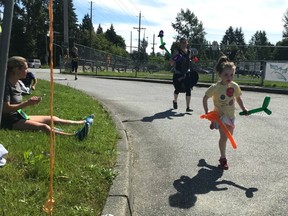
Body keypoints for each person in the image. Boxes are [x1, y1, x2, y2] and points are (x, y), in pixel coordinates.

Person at [1, 56, 93, 141]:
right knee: (43, 127)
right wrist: (27, 103)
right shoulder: (5, 85)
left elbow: (21, 97)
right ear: (17, 69)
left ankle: (82, 122)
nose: (28, 71)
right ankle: (75, 136)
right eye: (25, 68)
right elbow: (5, 109)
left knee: (51, 118)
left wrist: (32, 100)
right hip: (9, 121)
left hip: (19, 115)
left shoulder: (17, 83)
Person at [202, 55, 248, 170]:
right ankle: (223, 159)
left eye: (231, 74)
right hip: (220, 115)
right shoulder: (215, 87)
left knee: (229, 136)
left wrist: (244, 109)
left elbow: (238, 98)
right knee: (224, 138)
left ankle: (214, 123)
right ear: (220, 74)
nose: (229, 77)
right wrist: (207, 111)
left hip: (231, 116)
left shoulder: (234, 86)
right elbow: (205, 98)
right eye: (226, 75)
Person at [170, 37, 197, 112]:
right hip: (178, 73)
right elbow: (171, 63)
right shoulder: (177, 52)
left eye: (185, 42)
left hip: (187, 73)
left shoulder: (189, 52)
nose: (183, 44)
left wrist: (193, 61)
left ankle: (188, 107)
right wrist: (174, 59)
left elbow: (190, 61)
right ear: (180, 43)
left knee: (188, 89)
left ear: (187, 43)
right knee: (177, 89)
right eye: (182, 42)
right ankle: (175, 101)